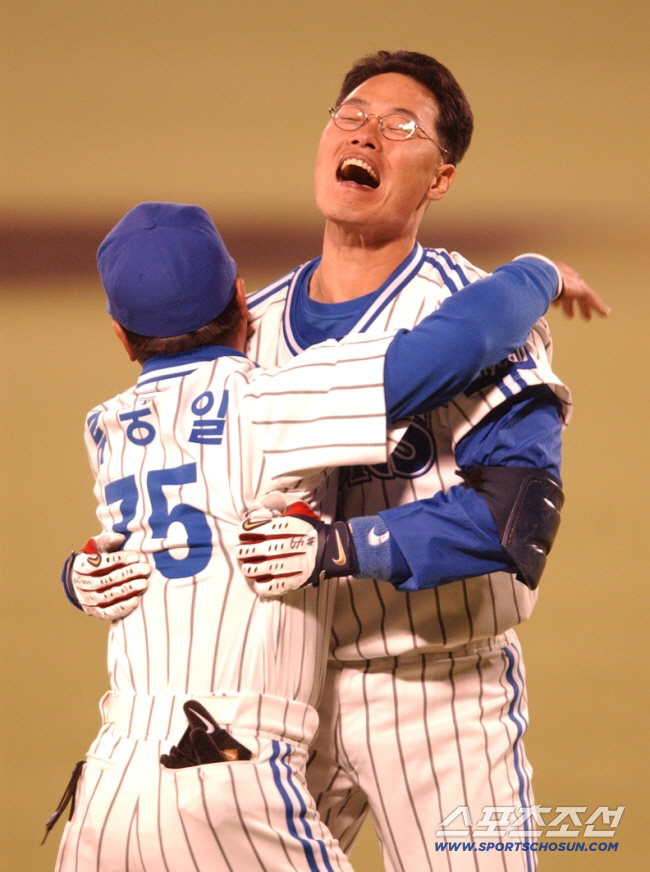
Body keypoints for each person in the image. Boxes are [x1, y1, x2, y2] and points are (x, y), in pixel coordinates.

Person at [51, 200, 568, 871]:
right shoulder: (272, 403)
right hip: (230, 766)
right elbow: (464, 340)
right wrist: (540, 272)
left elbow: (131, 543)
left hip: (111, 779)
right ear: (243, 303)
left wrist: (72, 577)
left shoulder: (107, 431)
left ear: (120, 336)